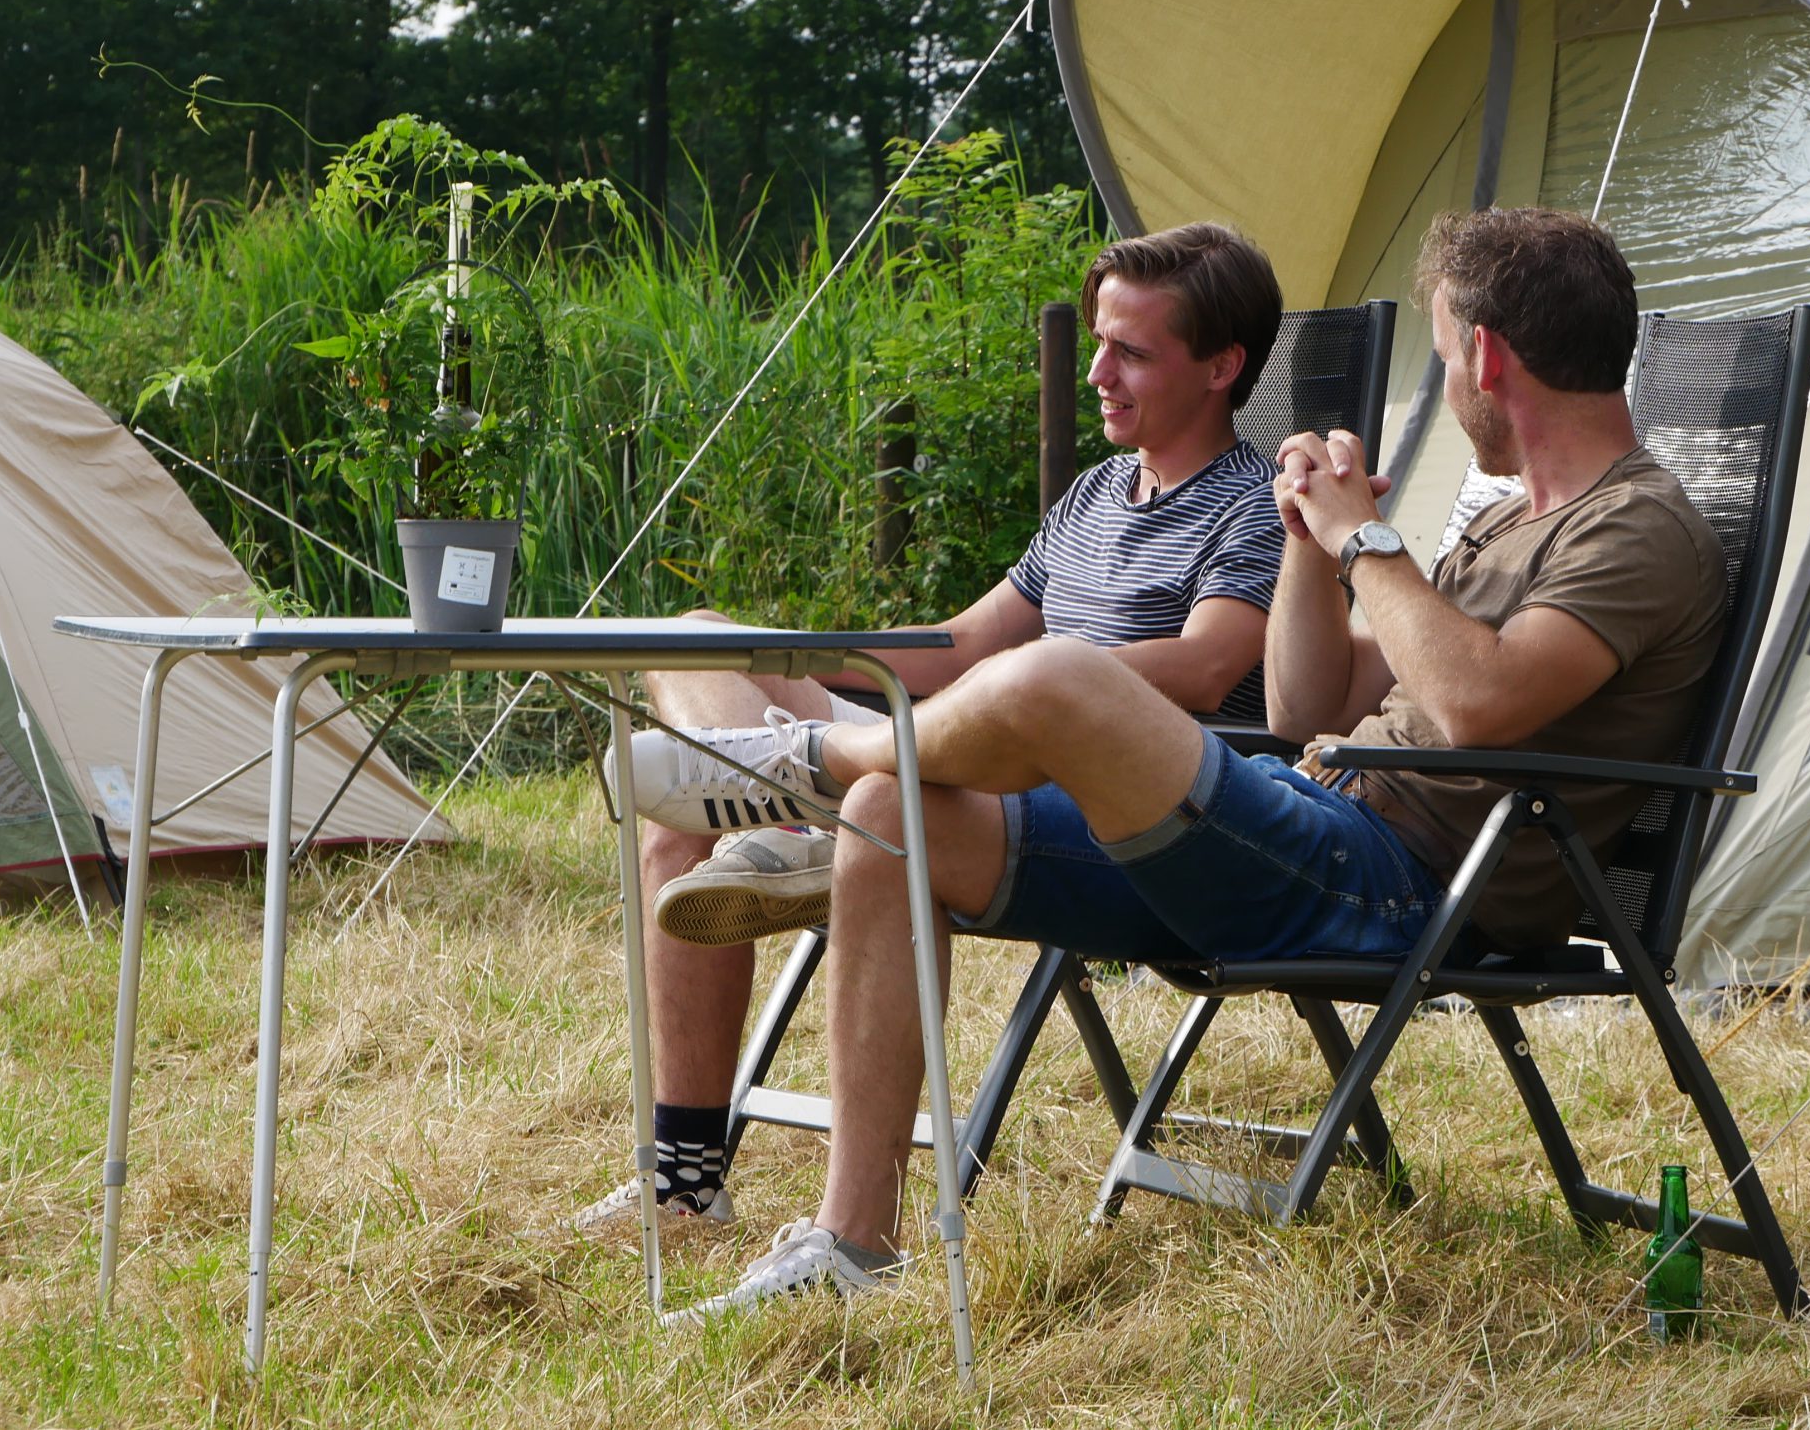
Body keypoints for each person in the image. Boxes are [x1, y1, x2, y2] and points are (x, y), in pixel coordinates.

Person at [661, 205, 1731, 1318]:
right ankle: (852, 1244)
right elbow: (1307, 705)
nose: (1447, 385)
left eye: (1442, 353)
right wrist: (1311, 546)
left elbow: (1478, 700)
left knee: (1059, 674)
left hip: (1405, 885)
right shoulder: (1507, 523)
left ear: (1485, 354)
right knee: (893, 812)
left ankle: (798, 762)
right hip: (1309, 820)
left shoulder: (1634, 526)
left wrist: (1365, 540)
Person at [576, 221, 1287, 1234]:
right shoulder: (1096, 494)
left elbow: (1210, 663)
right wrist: (788, 651)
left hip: (1105, 806)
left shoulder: (1253, 505)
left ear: (1221, 367)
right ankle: (686, 1178)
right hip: (970, 753)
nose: (1096, 373)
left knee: (791, 797)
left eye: (1130, 352)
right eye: (1098, 343)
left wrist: (1023, 689)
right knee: (697, 642)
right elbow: (958, 646)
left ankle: (796, 826)